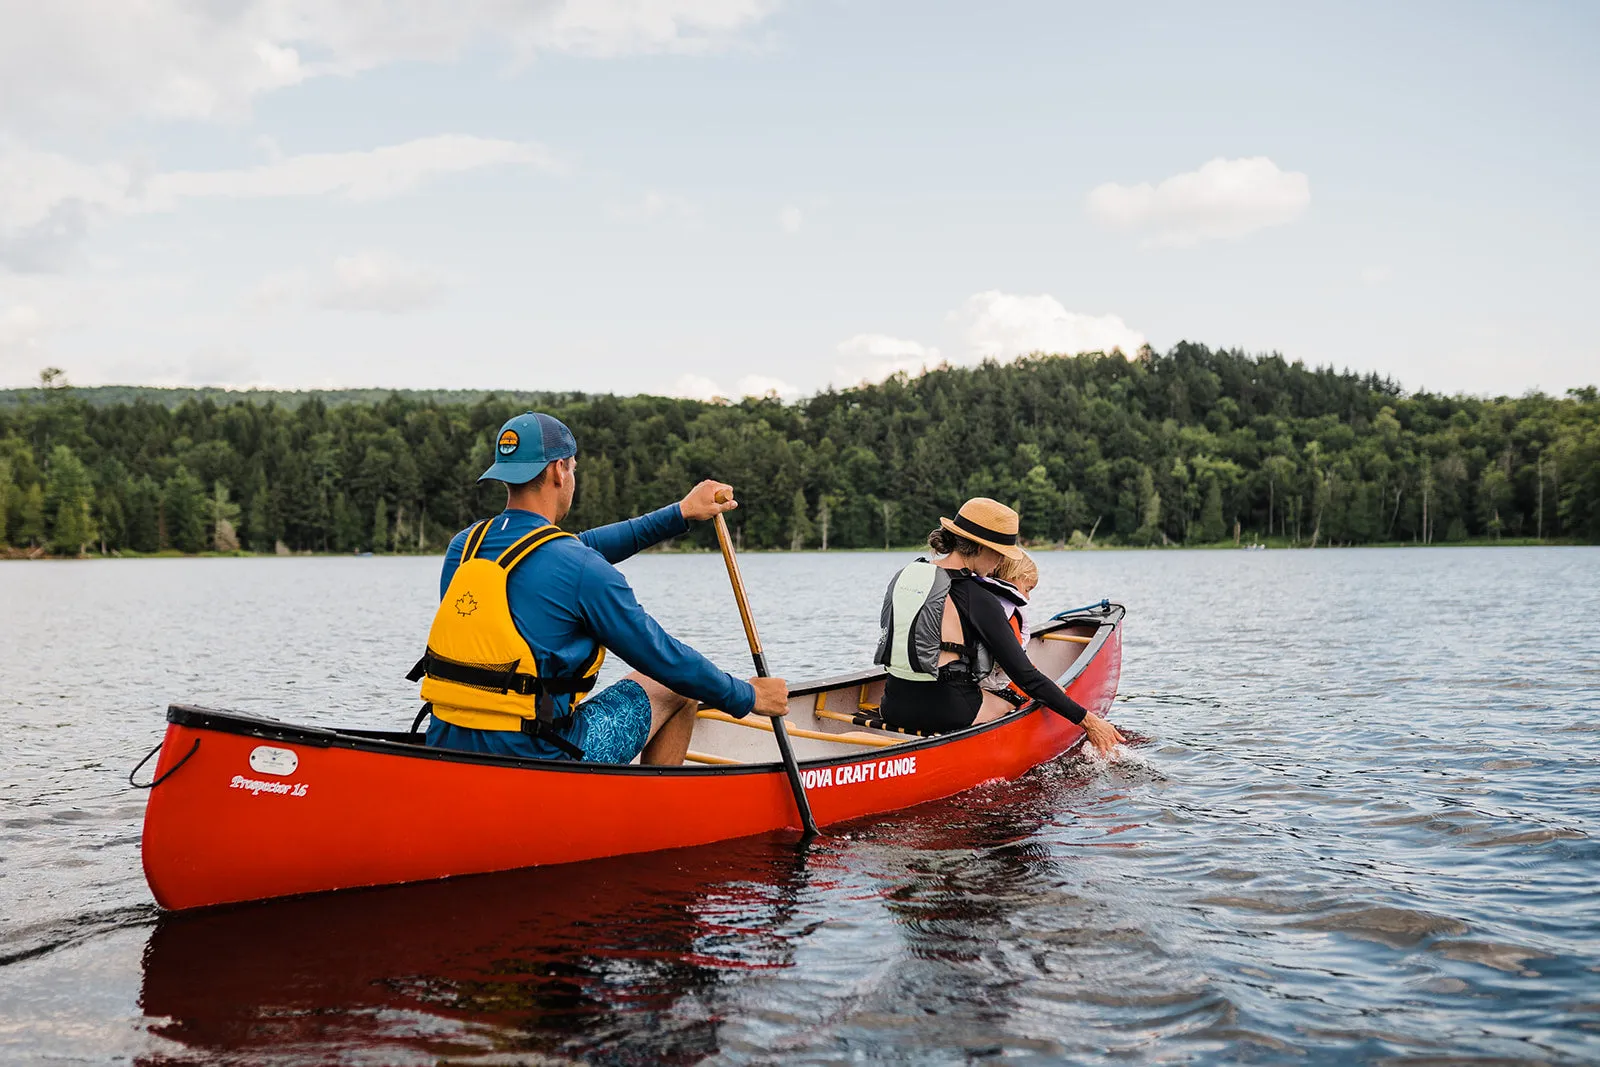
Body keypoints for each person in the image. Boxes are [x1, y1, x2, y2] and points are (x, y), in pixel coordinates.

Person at [410, 411, 789, 766]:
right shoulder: (579, 568)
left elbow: (570, 551)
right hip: (540, 755)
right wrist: (749, 696)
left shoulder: (465, 547)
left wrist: (681, 513)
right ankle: (656, 819)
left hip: (449, 741)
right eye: (573, 468)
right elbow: (665, 659)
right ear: (560, 471)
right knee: (677, 684)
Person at [873, 498, 1122, 755]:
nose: (1000, 562)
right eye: (1001, 552)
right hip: (947, 711)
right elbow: (1026, 677)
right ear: (982, 548)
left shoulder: (908, 575)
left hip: (893, 705)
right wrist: (1089, 721)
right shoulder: (978, 597)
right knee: (1013, 703)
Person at [976, 550, 1037, 706]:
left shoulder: (977, 598)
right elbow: (1017, 664)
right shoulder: (1010, 614)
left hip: (973, 682)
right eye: (1028, 589)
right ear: (1013, 578)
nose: (1028, 597)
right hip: (992, 688)